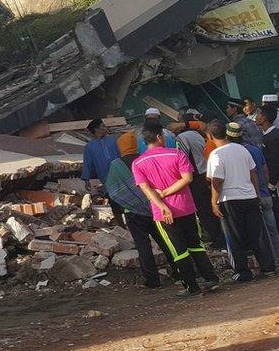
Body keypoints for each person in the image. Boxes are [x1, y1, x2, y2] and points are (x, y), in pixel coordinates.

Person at [132, 122, 220, 297]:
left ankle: (191, 286)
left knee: (177, 250)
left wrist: (163, 204)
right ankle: (210, 278)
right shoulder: (176, 154)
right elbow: (187, 178)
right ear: (159, 137)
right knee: (196, 244)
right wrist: (169, 191)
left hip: (162, 214)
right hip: (186, 206)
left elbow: (146, 189)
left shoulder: (138, 163)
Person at [104, 132, 181, 288]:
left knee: (143, 246)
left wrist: (119, 217)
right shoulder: (144, 159)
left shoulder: (116, 165)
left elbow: (113, 192)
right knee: (165, 241)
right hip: (155, 207)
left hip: (132, 212)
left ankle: (152, 281)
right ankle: (178, 272)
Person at [206, 120, 276, 282]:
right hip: (249, 196)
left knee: (234, 238)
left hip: (229, 200)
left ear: (209, 136)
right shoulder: (242, 150)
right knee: (258, 234)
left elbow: (216, 181)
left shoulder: (216, 155)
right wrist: (257, 193)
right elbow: (253, 173)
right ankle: (268, 267)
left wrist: (213, 202)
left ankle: (242, 272)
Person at [228, 123, 279, 268]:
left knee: (260, 233)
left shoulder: (234, 153)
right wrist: (265, 186)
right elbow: (264, 169)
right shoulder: (255, 149)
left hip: (250, 196)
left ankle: (269, 263)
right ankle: (277, 259)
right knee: (272, 229)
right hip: (264, 194)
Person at [175, 109, 224, 248]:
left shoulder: (182, 138)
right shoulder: (203, 134)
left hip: (196, 179)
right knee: (215, 207)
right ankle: (223, 236)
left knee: (204, 212)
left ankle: (218, 240)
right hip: (209, 174)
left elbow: (181, 157)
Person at [256, 104, 279, 236]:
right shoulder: (270, 135)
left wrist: (271, 183)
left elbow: (276, 162)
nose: (256, 117)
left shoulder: (273, 137)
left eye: (259, 114)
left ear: (264, 118)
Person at [81, 118, 123, 225]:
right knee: (113, 201)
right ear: (96, 129)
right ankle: (120, 223)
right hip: (106, 177)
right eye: (102, 126)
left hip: (120, 174)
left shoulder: (113, 140)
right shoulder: (89, 147)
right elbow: (87, 164)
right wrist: (86, 180)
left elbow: (122, 154)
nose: (105, 128)